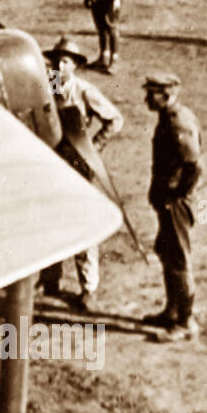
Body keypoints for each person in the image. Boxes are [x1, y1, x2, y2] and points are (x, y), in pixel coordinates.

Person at [39, 36, 123, 309]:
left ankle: (88, 288)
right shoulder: (49, 85)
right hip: (53, 161)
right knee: (51, 222)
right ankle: (50, 278)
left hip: (79, 163)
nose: (59, 66)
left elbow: (114, 119)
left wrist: (94, 148)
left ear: (75, 65)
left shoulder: (85, 90)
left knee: (82, 225)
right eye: (56, 60)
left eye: (65, 61)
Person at [141, 72, 203, 342]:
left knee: (178, 259)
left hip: (176, 202)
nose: (146, 98)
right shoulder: (168, 118)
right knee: (167, 252)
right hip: (167, 199)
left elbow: (193, 166)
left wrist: (176, 194)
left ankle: (187, 322)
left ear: (165, 95)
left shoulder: (179, 123)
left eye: (151, 93)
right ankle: (172, 310)